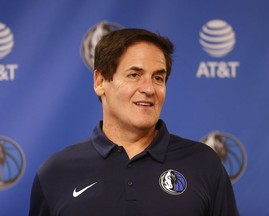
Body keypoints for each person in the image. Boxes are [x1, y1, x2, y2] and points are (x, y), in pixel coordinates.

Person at [29, 28, 239, 216]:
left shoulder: (203, 163)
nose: (148, 89)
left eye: (158, 78)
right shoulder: (56, 172)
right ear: (100, 82)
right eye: (134, 75)